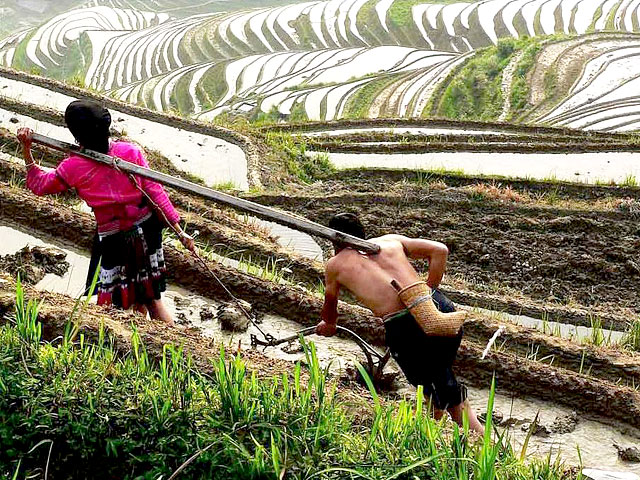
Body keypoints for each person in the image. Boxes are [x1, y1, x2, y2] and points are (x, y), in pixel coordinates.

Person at [16, 99, 195, 325]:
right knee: (150, 298)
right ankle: (165, 347)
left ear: (76, 135)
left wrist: (26, 149)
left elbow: (39, 184)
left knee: (122, 305)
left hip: (116, 239)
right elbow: (155, 192)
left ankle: (149, 347)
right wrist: (179, 231)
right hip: (147, 230)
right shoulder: (130, 151)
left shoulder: (73, 167)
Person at [315, 213, 484, 434]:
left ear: (334, 240)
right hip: (440, 310)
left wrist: (328, 325)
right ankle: (433, 428)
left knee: (445, 389)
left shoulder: (335, 265)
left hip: (408, 328)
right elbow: (440, 250)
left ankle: (484, 443)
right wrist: (428, 292)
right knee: (436, 377)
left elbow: (330, 308)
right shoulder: (390, 241)